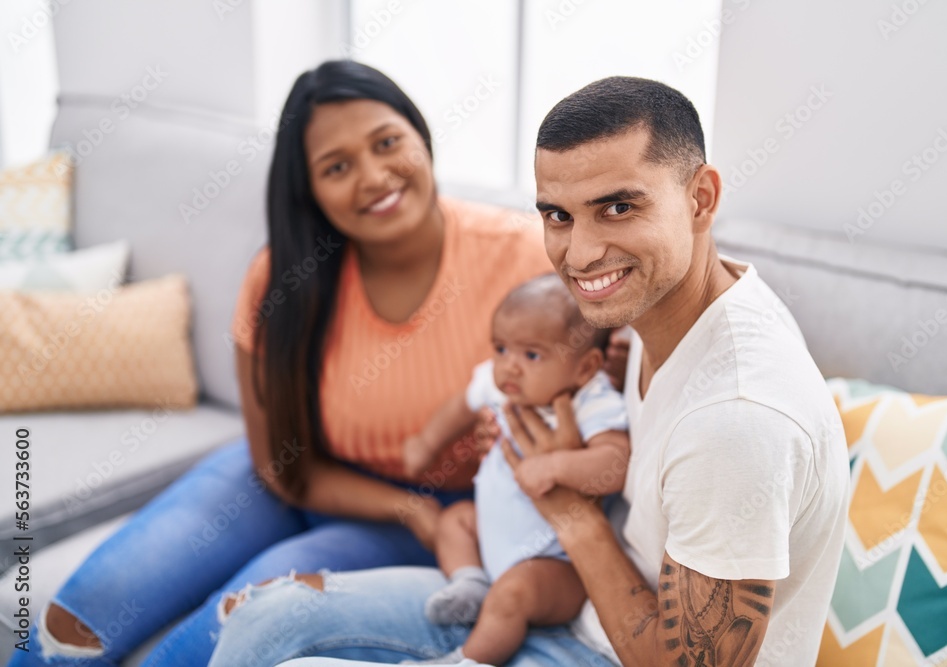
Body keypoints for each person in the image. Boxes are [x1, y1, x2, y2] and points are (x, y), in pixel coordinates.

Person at [206, 76, 850, 667]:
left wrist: (568, 509)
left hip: (606, 650)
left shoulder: (737, 418)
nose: (582, 252)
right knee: (264, 620)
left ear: (700, 199)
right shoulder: (661, 314)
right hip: (567, 599)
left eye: (618, 208)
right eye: (558, 215)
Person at [8, 61, 555, 667]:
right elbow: (279, 465)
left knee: (231, 621)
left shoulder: (527, 258)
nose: (374, 177)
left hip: (434, 517)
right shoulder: (282, 276)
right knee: (78, 620)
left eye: (387, 143)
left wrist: (421, 508)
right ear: (310, 189)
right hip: (286, 475)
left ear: (420, 137)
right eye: (337, 167)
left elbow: (595, 376)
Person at [400, 274, 629, 665]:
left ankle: (469, 660)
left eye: (532, 355)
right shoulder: (503, 383)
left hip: (556, 566)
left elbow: (616, 462)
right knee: (454, 520)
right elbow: (462, 403)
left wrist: (556, 466)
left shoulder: (592, 401)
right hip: (491, 538)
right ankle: (469, 581)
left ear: (585, 366)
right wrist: (424, 444)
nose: (509, 367)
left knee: (511, 595)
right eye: (501, 348)